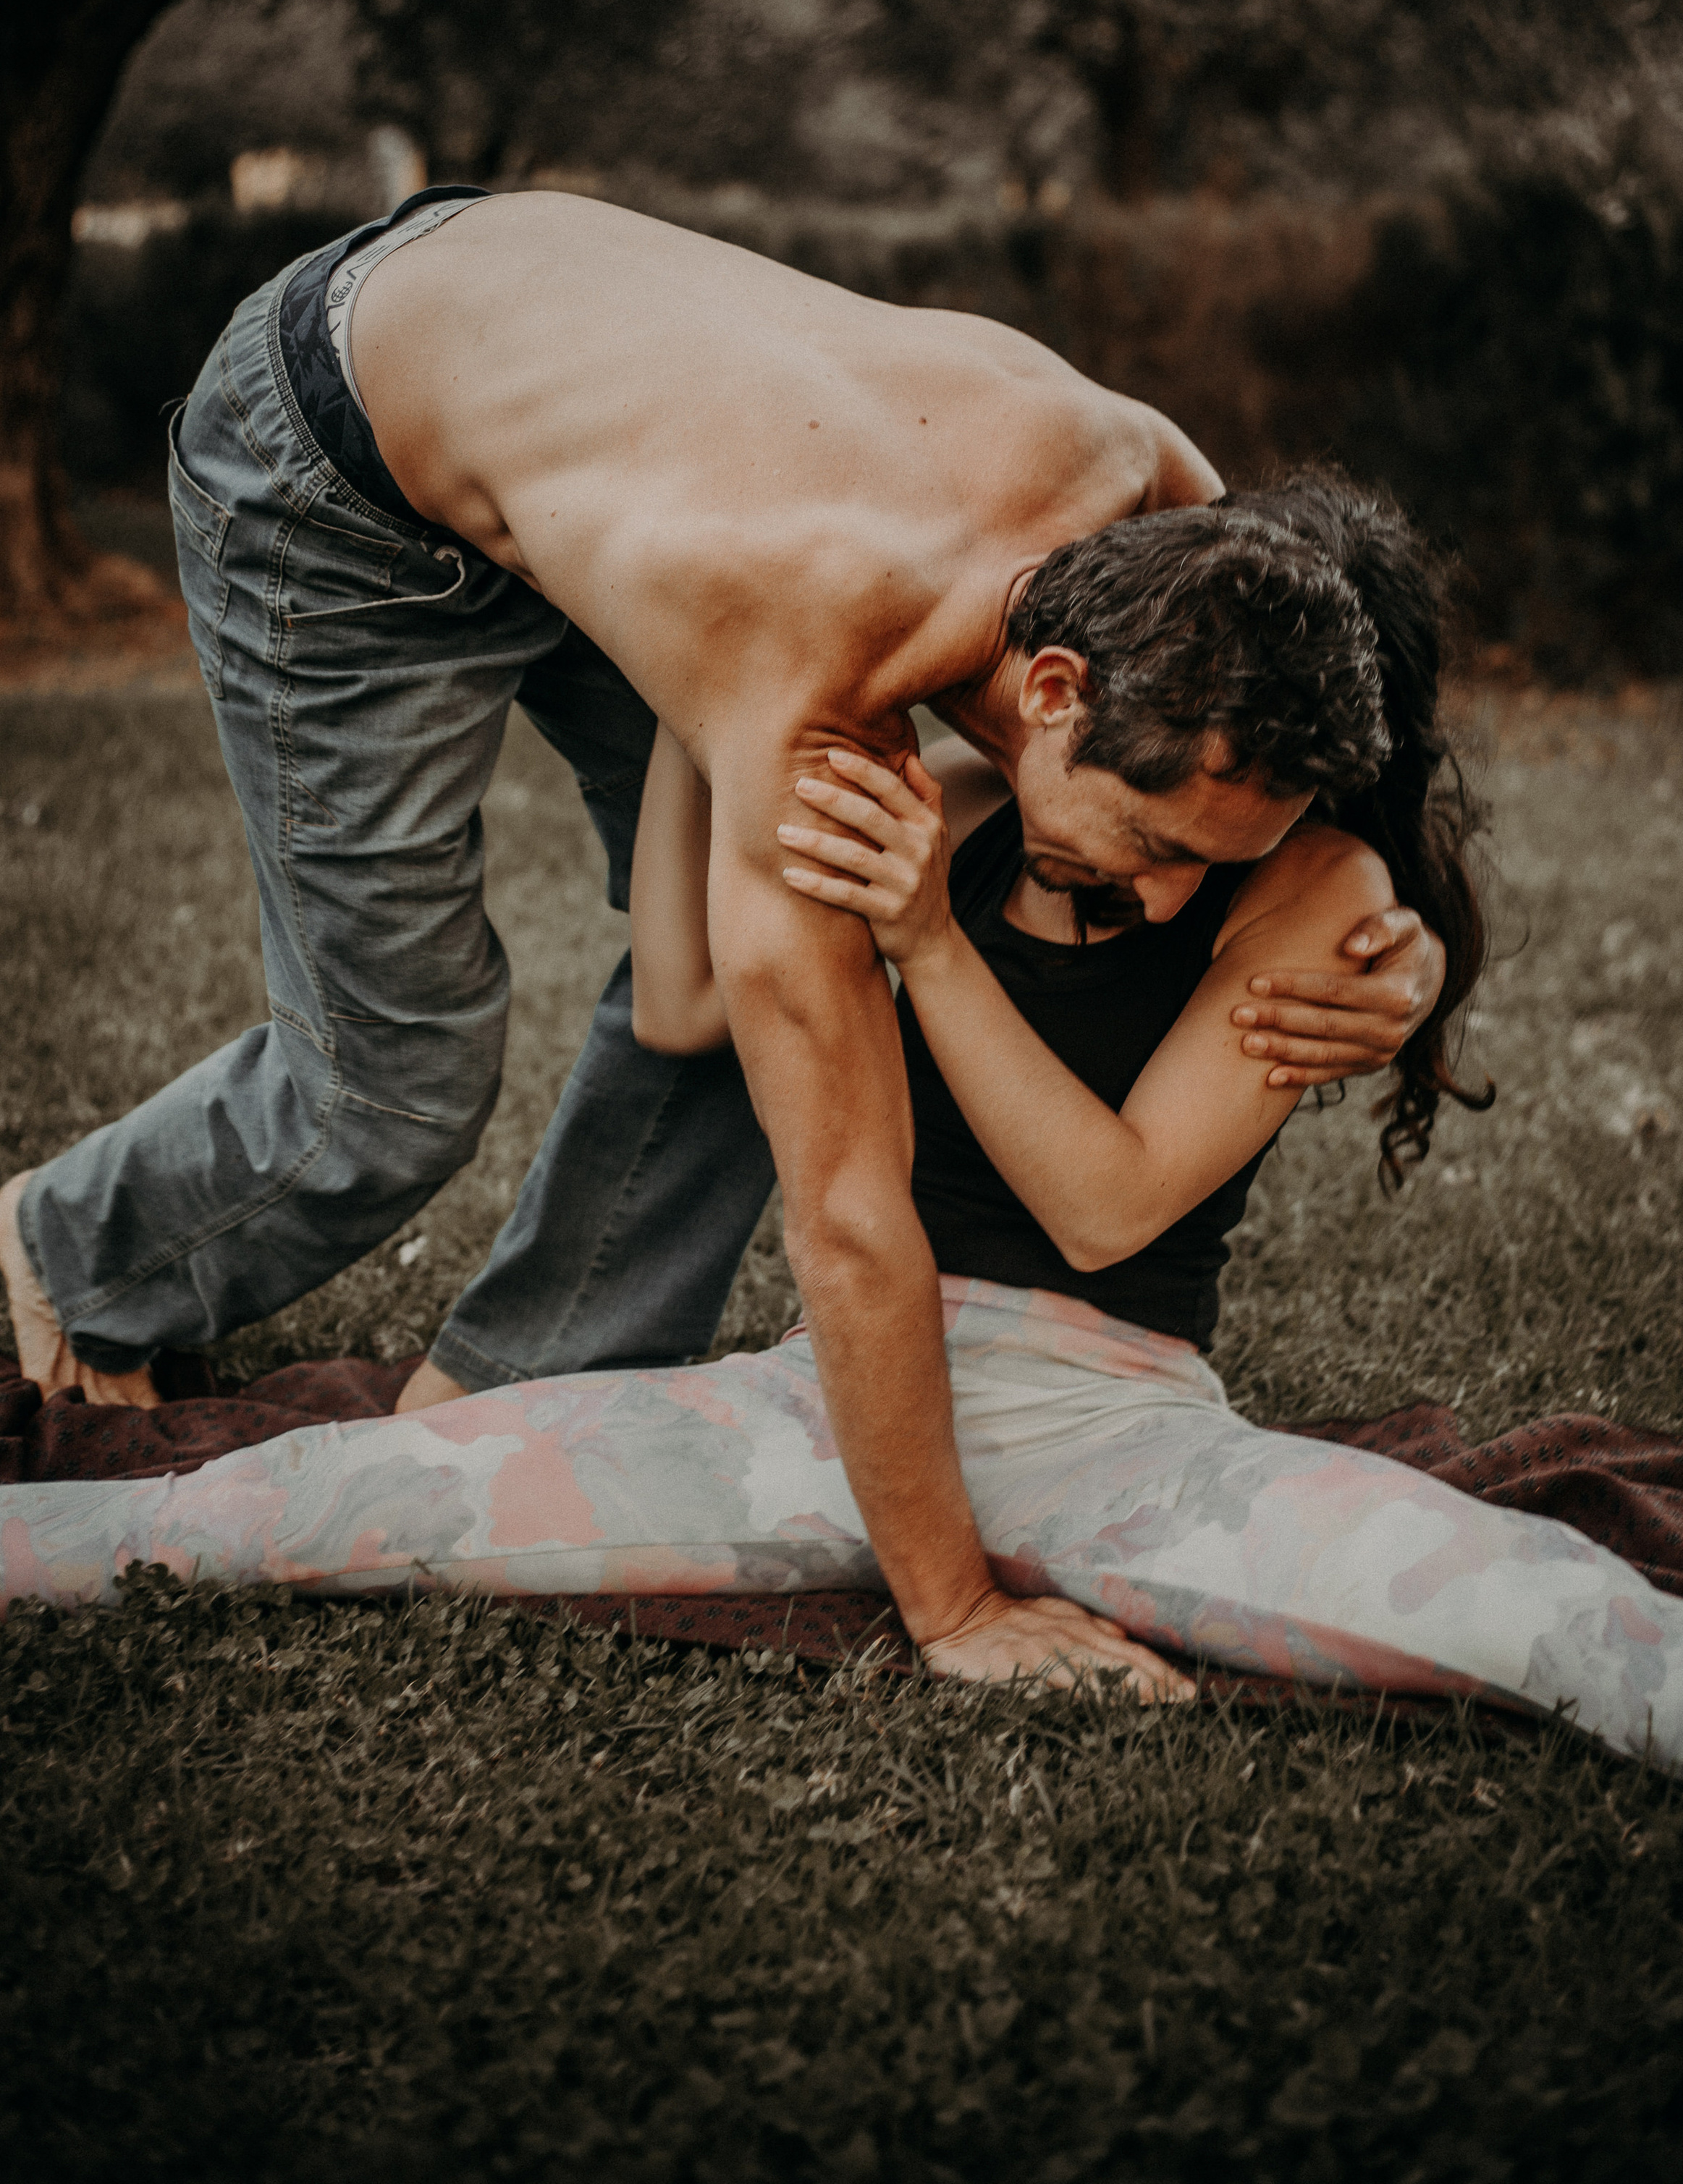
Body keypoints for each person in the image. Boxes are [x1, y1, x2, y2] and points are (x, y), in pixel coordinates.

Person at [6, 481, 1683, 1791]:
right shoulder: (951, 798)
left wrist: (925, 944)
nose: (1169, 881)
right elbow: (686, 1004)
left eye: (1225, 841)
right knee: (297, 1506)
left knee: (1551, 1622)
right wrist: (734, 714)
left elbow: (1106, 1200)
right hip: (834, 1399)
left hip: (1113, 1431)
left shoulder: (1318, 897)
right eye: (1160, 831)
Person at [0, 189, 1446, 1693]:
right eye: (1153, 847)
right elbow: (846, 1217)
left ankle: (512, 1393)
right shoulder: (810, 682)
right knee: (400, 1083)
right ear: (1056, 694)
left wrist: (1396, 955)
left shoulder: (1163, 507)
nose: (1173, 897)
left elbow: (1317, 720)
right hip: (338, 455)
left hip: (593, 413)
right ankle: (72, 1252)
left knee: (772, 971)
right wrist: (955, 1611)